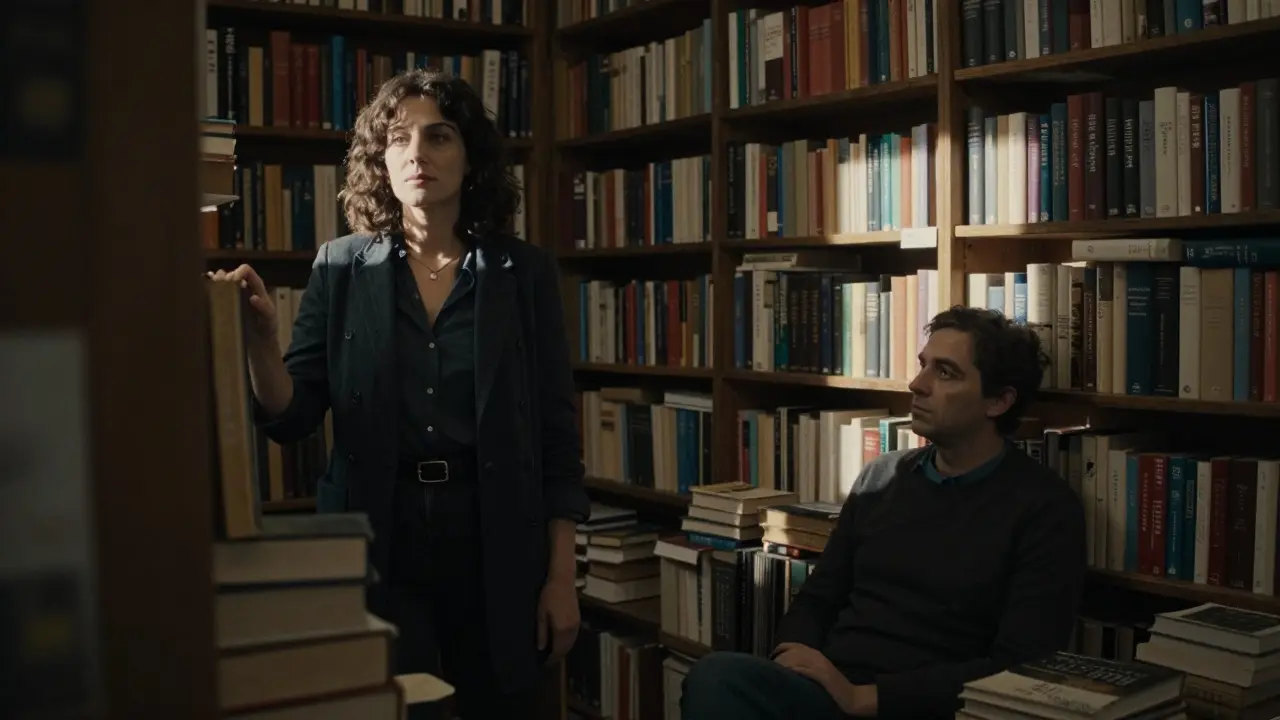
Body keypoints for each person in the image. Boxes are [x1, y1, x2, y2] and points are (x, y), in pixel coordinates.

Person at [208, 69, 589, 719]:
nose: (418, 154)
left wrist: (561, 578)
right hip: (381, 537)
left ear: (469, 157)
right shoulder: (338, 265)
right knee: (389, 709)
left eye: (438, 137)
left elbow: (556, 434)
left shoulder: (523, 274)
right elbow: (292, 415)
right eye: (399, 138)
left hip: (496, 535)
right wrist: (260, 341)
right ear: (379, 160)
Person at [680, 306, 1086, 720]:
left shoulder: (1045, 509)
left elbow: (1017, 665)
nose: (916, 384)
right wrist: (797, 659)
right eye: (923, 365)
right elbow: (818, 600)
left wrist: (864, 698)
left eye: (944, 373)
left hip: (926, 708)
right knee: (718, 678)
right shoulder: (882, 476)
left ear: (998, 401)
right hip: (829, 692)